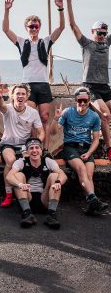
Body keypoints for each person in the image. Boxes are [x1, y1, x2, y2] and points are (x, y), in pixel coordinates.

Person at [2, 0, 65, 150]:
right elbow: (5, 29)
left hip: (43, 84)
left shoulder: (46, 42)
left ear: (39, 27)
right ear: (26, 28)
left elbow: (61, 27)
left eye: (36, 26)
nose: (34, 28)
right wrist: (7, 10)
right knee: (29, 119)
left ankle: (44, 150)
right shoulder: (22, 42)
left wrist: (60, 8)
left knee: (44, 118)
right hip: (28, 85)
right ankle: (30, 149)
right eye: (31, 26)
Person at [63, 0, 111, 159]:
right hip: (90, 86)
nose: (102, 36)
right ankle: (109, 148)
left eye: (104, 33)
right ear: (93, 32)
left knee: (106, 115)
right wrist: (68, 2)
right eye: (99, 33)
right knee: (105, 115)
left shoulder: (107, 43)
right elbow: (72, 26)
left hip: (105, 86)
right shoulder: (86, 44)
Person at [50, 87, 109, 215]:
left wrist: (89, 153)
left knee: (88, 176)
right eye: (80, 100)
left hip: (87, 148)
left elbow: (96, 140)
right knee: (81, 169)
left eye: (85, 101)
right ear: (75, 100)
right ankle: (94, 199)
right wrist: (55, 118)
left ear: (89, 101)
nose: (82, 103)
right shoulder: (67, 112)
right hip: (70, 147)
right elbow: (53, 132)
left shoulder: (94, 116)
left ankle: (91, 204)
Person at [0, 84, 44, 208]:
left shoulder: (33, 112)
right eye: (17, 93)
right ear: (13, 96)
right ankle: (8, 194)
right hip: (8, 143)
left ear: (27, 96)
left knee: (31, 160)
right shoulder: (8, 109)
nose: (20, 96)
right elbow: (1, 106)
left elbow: (41, 132)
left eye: (23, 94)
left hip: (24, 145)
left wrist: (35, 145)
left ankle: (26, 192)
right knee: (11, 160)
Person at [6, 138, 66, 229]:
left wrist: (58, 182)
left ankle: (51, 215)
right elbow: (9, 177)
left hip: (44, 200)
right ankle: (28, 214)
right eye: (31, 148)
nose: (34, 150)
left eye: (37, 147)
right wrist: (20, 184)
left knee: (55, 176)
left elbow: (63, 174)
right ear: (27, 151)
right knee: (18, 175)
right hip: (27, 198)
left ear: (41, 150)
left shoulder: (48, 161)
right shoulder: (21, 161)